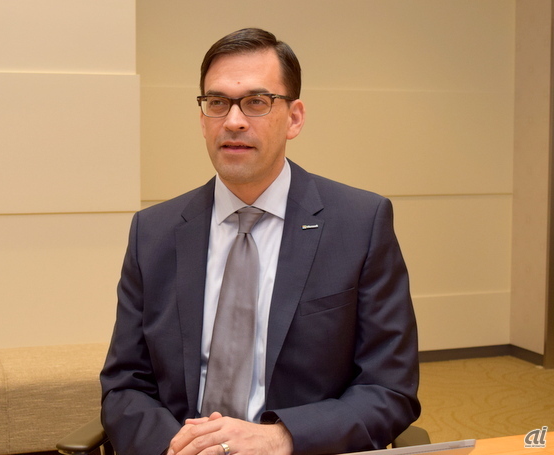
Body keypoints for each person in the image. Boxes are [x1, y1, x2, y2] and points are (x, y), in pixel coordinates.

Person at [100, 28, 421, 455]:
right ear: (202, 119)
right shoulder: (153, 233)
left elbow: (389, 389)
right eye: (217, 102)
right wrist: (177, 448)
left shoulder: (360, 224)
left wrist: (280, 438)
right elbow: (124, 385)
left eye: (256, 102)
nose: (233, 121)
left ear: (294, 118)